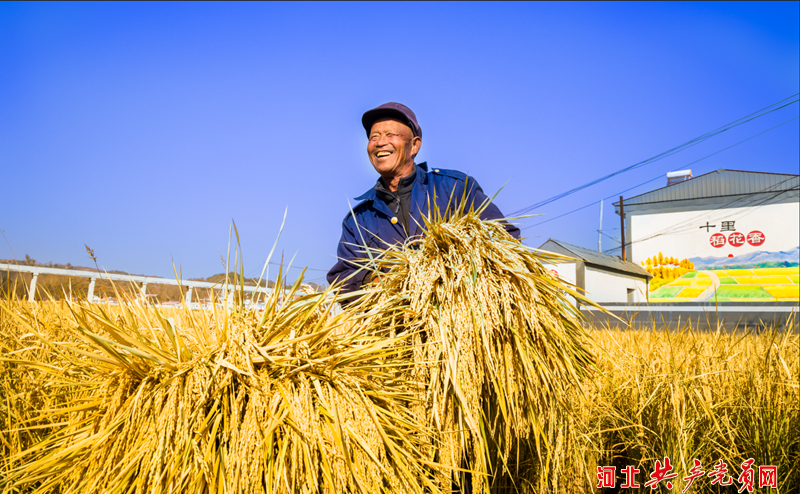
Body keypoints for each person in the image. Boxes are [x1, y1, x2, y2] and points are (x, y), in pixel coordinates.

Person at [327, 102, 521, 293]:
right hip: (398, 322)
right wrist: (376, 281)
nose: (379, 142)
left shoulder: (454, 188)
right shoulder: (359, 220)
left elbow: (505, 239)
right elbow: (342, 277)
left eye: (390, 135)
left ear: (414, 145)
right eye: (373, 137)